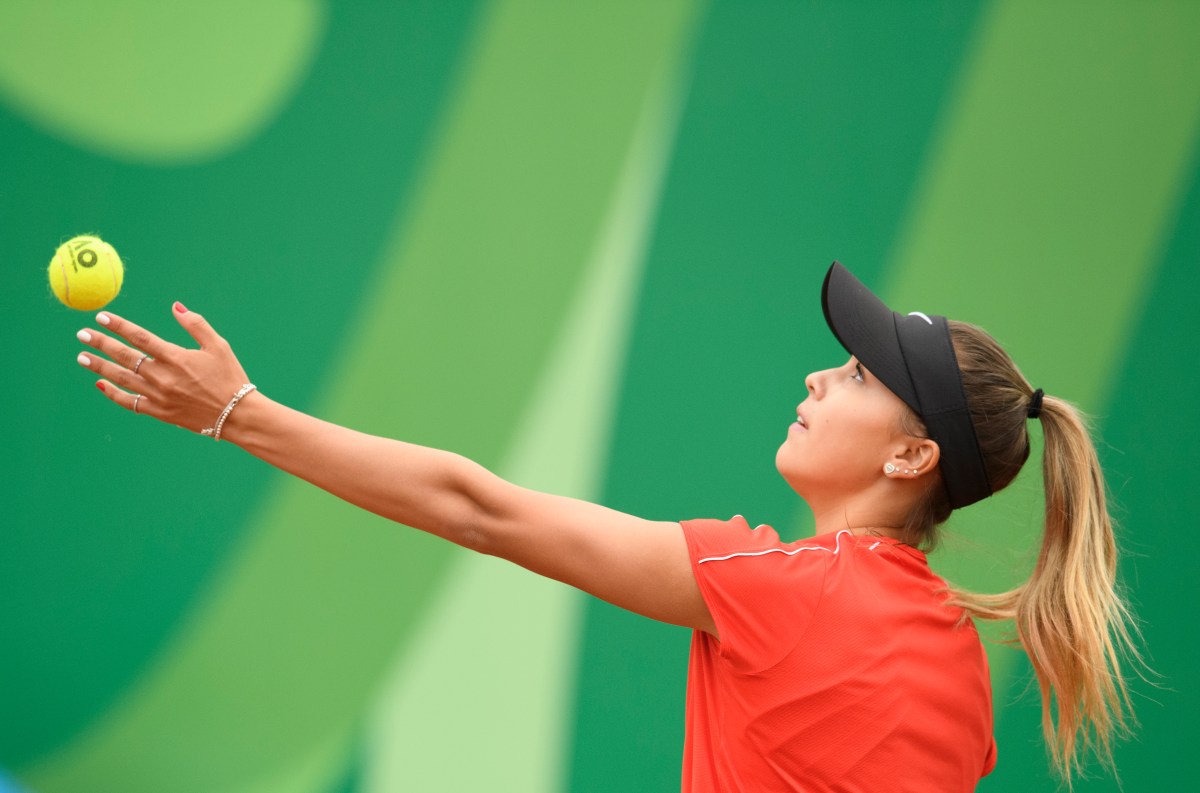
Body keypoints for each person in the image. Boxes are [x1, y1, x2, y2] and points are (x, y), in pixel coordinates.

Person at [74, 262, 1138, 791]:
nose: (818, 375)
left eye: (856, 375)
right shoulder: (956, 661)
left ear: (913, 457)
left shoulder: (780, 588)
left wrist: (236, 411)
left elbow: (479, 510)